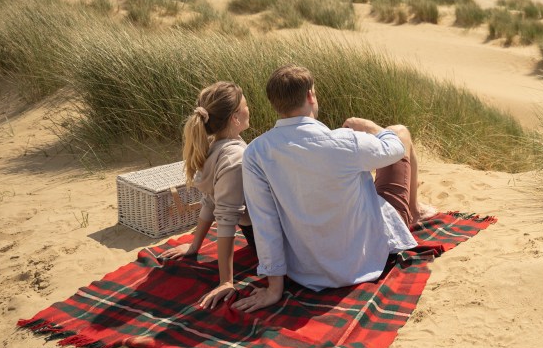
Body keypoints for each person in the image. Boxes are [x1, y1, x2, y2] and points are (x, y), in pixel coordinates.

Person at [234, 64, 434, 313]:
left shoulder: (255, 152)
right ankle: (414, 211)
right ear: (310, 96)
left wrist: (275, 288)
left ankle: (415, 208)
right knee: (399, 132)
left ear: (274, 104)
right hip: (365, 260)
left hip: (306, 272)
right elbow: (396, 149)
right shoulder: (344, 141)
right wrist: (371, 128)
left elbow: (265, 222)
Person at [159, 81, 256, 309]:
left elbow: (210, 202)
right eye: (245, 105)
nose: (248, 109)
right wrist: (226, 281)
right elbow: (226, 220)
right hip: (263, 238)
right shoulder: (235, 158)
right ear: (234, 117)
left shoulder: (213, 147)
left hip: (256, 234)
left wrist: (194, 246)